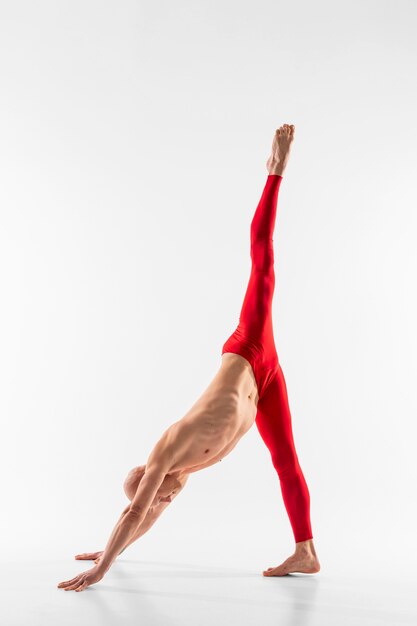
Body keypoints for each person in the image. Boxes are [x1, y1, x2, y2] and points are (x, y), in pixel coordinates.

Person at [57, 123, 320, 593]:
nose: (167, 502)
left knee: (262, 262)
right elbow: (146, 517)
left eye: (161, 496)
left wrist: (102, 569)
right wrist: (114, 548)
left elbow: (134, 511)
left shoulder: (168, 452)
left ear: (153, 481)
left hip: (248, 349)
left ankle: (275, 171)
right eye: (166, 499)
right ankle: (307, 551)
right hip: (264, 384)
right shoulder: (178, 477)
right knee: (285, 458)